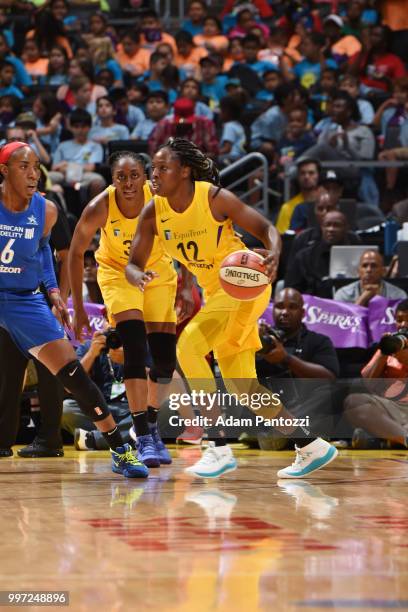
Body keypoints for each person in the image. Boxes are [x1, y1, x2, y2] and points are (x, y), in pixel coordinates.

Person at [126, 137, 338, 479]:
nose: (154, 174)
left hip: (245, 288)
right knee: (244, 386)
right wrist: (138, 275)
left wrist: (274, 254)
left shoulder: (213, 198)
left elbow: (267, 229)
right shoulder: (154, 210)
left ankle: (217, 445)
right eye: (153, 167)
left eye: (163, 168)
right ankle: (311, 445)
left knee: (189, 346)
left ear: (184, 172)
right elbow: (133, 262)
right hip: (219, 296)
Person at [0, 141, 146, 477]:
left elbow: (43, 255)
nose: (33, 173)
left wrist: (54, 292)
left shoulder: (47, 211)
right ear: (4, 170)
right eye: (24, 166)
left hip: (24, 300)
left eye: (36, 166)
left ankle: (120, 450)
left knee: (74, 375)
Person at [68, 151, 179, 468]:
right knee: (134, 348)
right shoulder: (100, 206)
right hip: (118, 276)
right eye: (121, 177)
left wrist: (186, 283)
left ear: (145, 176)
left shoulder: (158, 197)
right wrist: (78, 308)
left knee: (165, 361)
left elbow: (180, 234)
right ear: (112, 179)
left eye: (134, 176)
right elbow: (76, 253)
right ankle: (142, 436)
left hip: (157, 272)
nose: (128, 183)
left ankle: (153, 427)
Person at [256, 288, 340, 448]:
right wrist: (252, 345)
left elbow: (329, 377)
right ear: (272, 309)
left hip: (304, 406)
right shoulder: (260, 340)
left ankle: (279, 433)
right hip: (269, 407)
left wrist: (286, 359)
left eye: (292, 307)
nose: (285, 312)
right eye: (280, 306)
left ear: (303, 312)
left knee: (332, 390)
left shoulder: (319, 341)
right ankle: (282, 433)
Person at [344, 299, 408, 448]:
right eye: (399, 320)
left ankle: (387, 437)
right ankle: (402, 437)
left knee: (363, 436)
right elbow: (368, 382)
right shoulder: (391, 343)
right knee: (354, 402)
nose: (403, 325)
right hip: (392, 408)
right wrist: (383, 352)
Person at [334, 249, 407, 305]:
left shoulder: (398, 295)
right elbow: (341, 322)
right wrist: (363, 299)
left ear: (383, 271)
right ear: (358, 271)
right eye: (364, 266)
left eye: (374, 266)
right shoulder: (343, 294)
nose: (368, 270)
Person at [276, 158, 321, 234]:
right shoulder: (287, 207)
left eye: (311, 173)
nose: (306, 176)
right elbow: (282, 237)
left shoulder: (326, 203)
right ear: (298, 177)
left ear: (318, 175)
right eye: (302, 173)